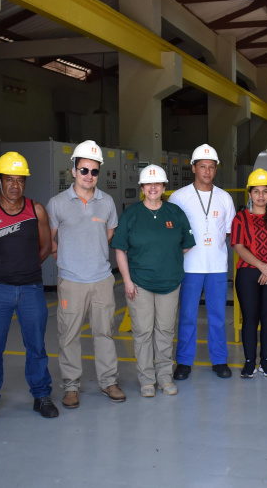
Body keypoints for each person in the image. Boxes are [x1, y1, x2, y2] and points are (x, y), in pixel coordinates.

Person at [0, 152, 58, 427]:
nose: (15, 185)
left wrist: (26, 269)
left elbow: (45, 247)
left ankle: (41, 396)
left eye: (20, 180)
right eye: (9, 180)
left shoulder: (37, 210)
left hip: (31, 289)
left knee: (37, 346)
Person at [47, 140, 123, 408]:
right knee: (69, 335)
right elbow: (52, 242)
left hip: (101, 279)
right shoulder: (57, 204)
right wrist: (70, 263)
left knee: (105, 333)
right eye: (84, 170)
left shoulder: (107, 202)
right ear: (74, 171)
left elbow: (109, 234)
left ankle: (108, 382)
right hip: (71, 281)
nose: (89, 176)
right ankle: (70, 386)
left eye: (94, 171)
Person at [112, 165, 195, 397]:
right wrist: (127, 280)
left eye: (157, 184)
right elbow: (120, 249)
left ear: (164, 187)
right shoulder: (132, 214)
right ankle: (147, 380)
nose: (153, 187)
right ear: (142, 188)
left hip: (170, 283)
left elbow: (187, 244)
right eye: (148, 184)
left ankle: (165, 377)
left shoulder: (175, 213)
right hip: (139, 283)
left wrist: (168, 261)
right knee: (143, 332)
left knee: (166, 331)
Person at [170, 144, 236, 380]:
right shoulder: (179, 197)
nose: (207, 171)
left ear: (216, 169)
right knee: (187, 315)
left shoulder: (224, 198)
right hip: (190, 267)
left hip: (217, 267)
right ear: (193, 168)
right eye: (202, 167)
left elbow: (228, 232)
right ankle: (184, 362)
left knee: (218, 316)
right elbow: (172, 232)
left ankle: (219, 360)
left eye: (211, 167)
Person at [231, 169, 267, 378]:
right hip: (248, 274)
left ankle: (265, 361)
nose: (261, 196)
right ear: (249, 193)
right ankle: (249, 362)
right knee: (250, 317)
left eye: (265, 191)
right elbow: (238, 247)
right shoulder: (240, 219)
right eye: (256, 191)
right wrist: (262, 266)